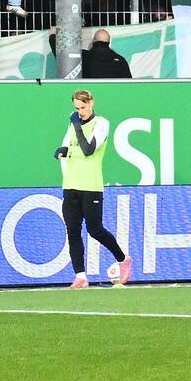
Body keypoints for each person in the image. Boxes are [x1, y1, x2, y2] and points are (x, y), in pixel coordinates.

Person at [56, 89, 131, 288]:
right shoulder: (73, 126)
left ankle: (123, 259)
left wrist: (75, 130)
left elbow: (89, 149)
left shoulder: (101, 124)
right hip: (71, 185)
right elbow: (64, 150)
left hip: (90, 185)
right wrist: (65, 160)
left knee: (95, 230)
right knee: (73, 231)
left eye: (83, 107)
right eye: (77, 108)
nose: (80, 111)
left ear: (91, 103)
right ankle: (81, 276)